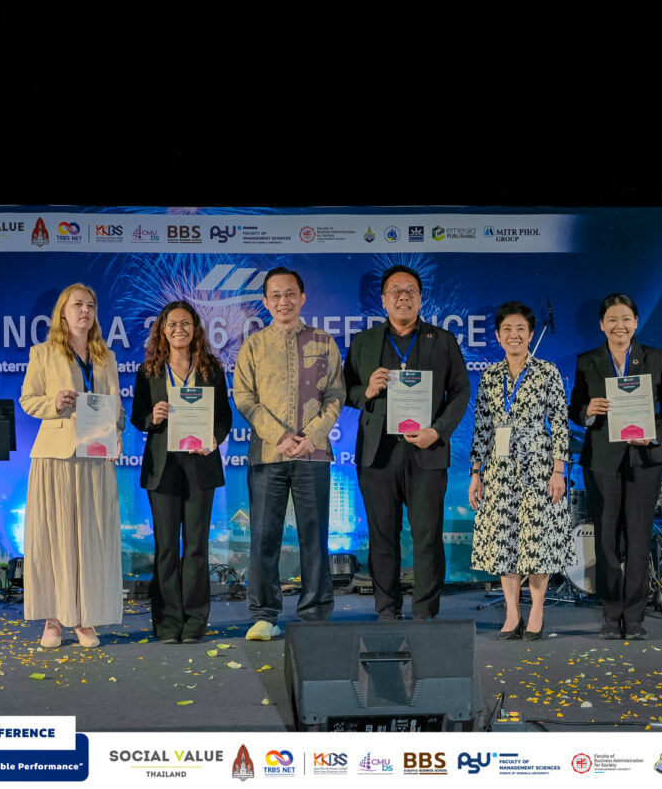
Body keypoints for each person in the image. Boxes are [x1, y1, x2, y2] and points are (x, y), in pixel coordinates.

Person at [344, 264, 470, 620]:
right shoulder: (364, 342)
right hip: (378, 455)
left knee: (427, 536)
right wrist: (367, 391)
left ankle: (425, 612)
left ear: (420, 298)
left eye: (410, 290)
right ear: (384, 300)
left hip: (426, 451)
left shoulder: (442, 341)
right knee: (382, 536)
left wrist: (438, 431)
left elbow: (460, 391)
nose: (403, 297)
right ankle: (387, 609)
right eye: (396, 291)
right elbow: (345, 390)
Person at [232, 266, 345, 640]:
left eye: (290, 293)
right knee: (264, 536)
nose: (284, 301)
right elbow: (244, 398)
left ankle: (315, 614)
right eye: (276, 295)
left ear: (302, 297)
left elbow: (336, 395)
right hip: (268, 454)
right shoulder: (253, 345)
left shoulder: (324, 341)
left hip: (313, 453)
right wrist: (279, 436)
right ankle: (265, 615)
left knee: (315, 536)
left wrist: (312, 436)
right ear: (266, 302)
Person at [567, 293, 662, 640]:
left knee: (638, 538)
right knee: (605, 540)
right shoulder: (587, 360)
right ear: (601, 325)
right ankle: (610, 614)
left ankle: (634, 618)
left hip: (643, 460)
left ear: (636, 322)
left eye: (626, 319)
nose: (620, 326)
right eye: (613, 320)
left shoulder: (654, 357)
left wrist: (653, 433)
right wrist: (588, 411)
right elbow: (574, 408)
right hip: (602, 460)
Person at [19, 283, 126, 648]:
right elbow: (28, 400)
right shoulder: (42, 353)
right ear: (62, 313)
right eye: (78, 304)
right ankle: (53, 619)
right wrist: (54, 402)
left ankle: (84, 618)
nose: (85, 310)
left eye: (91, 305)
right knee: (55, 539)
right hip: (56, 457)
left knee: (90, 539)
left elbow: (116, 406)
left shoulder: (105, 356)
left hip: (96, 456)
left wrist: (117, 435)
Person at [468, 301, 572, 641]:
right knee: (505, 540)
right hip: (498, 468)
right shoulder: (489, 376)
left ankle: (537, 610)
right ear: (498, 336)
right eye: (507, 330)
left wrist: (558, 470)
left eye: (521, 329)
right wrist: (475, 472)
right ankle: (512, 614)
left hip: (538, 464)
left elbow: (559, 423)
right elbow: (482, 426)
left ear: (530, 334)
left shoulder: (547, 371)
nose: (514, 335)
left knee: (536, 539)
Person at [132, 301, 232, 644]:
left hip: (200, 465)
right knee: (165, 547)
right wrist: (153, 417)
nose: (179, 329)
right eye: (172, 324)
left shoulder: (211, 369)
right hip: (163, 468)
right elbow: (137, 416)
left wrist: (214, 438)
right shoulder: (149, 371)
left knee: (196, 547)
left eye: (186, 323)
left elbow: (224, 417)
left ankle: (194, 622)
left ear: (195, 328)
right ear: (162, 329)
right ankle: (167, 622)